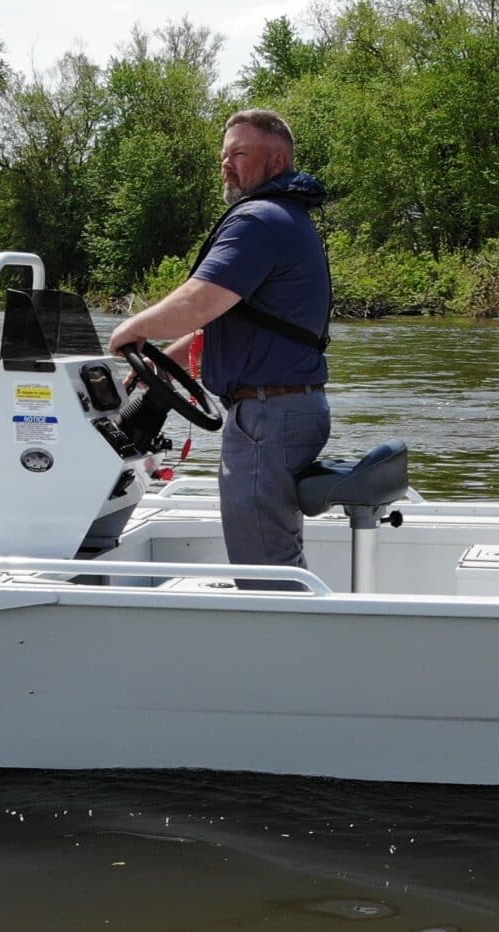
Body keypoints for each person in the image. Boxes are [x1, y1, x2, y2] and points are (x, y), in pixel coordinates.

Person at [107, 109, 332, 589]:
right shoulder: (283, 217)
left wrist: (131, 331)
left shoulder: (260, 221)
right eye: (224, 155)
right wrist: (163, 360)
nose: (227, 164)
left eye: (240, 153)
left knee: (263, 567)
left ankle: (282, 654)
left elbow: (200, 300)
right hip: (284, 410)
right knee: (272, 553)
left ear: (276, 162)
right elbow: (225, 320)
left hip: (268, 417)